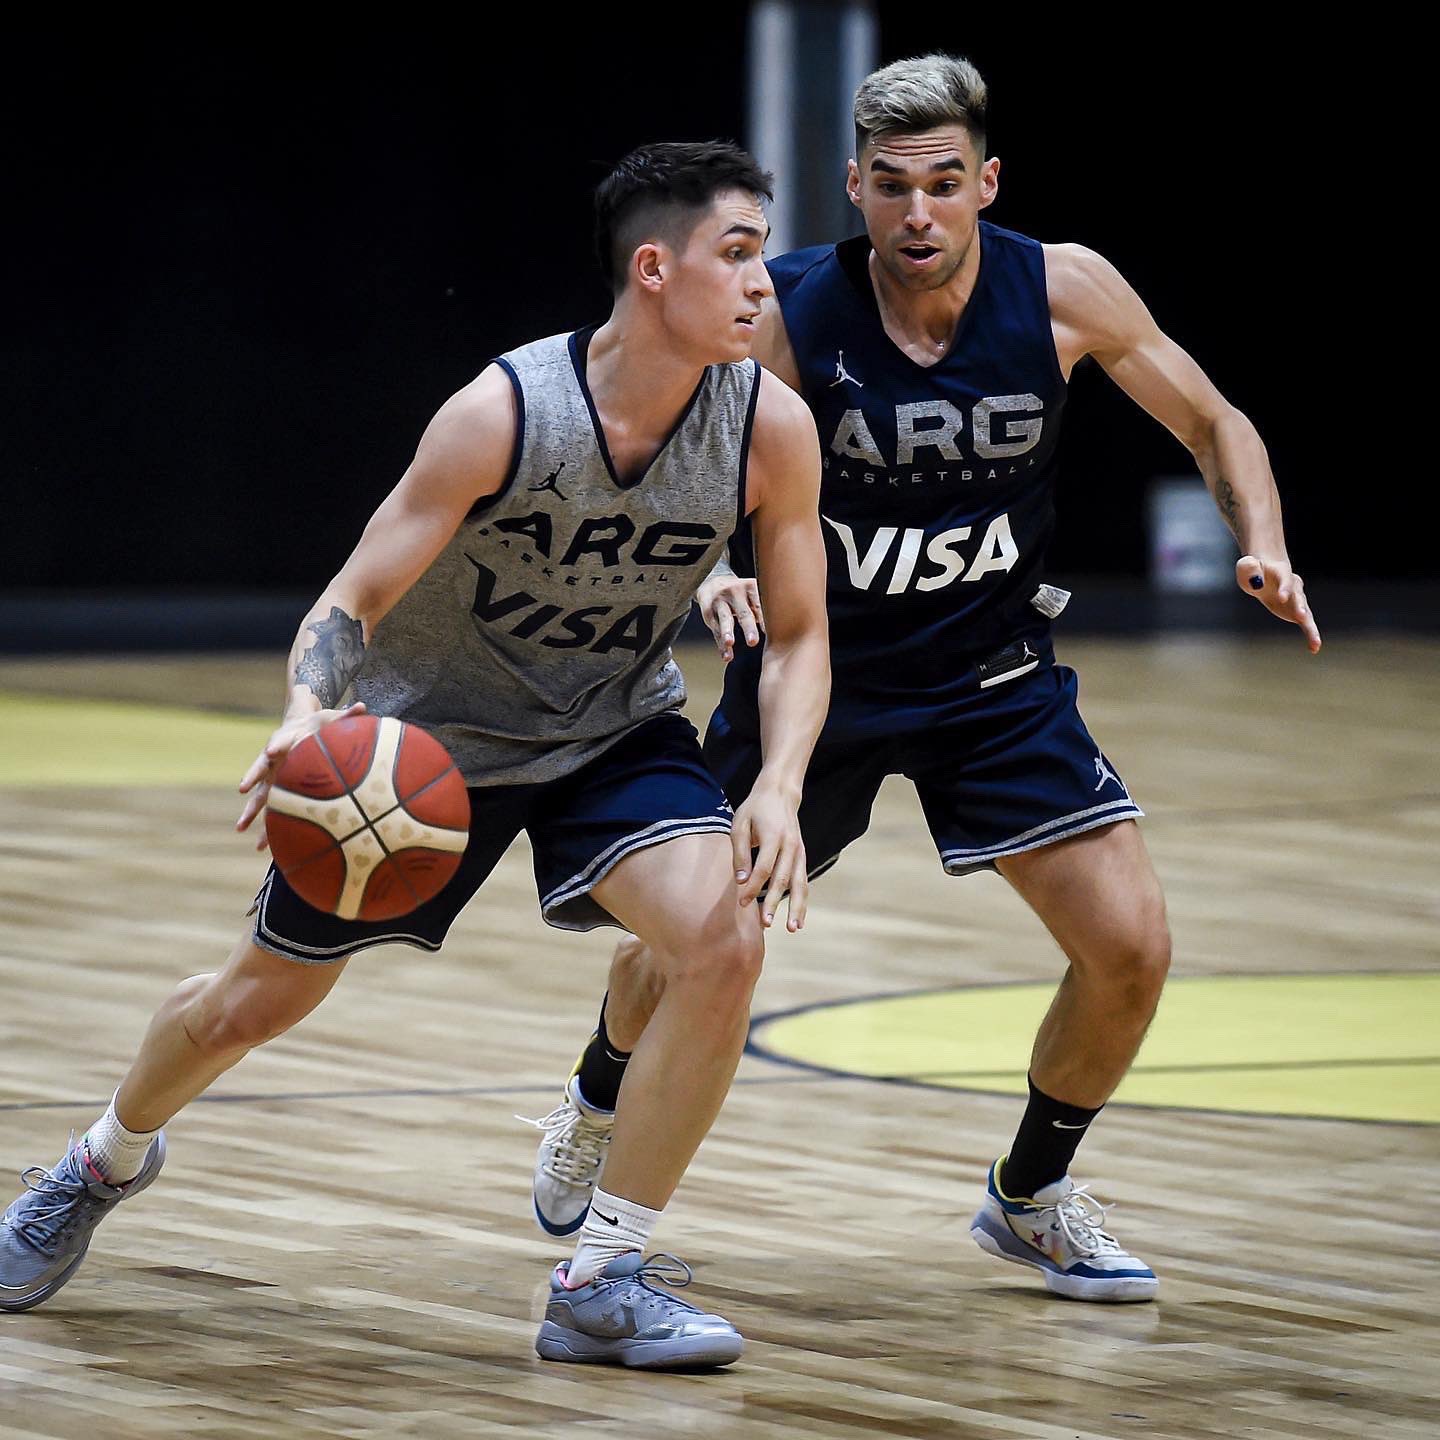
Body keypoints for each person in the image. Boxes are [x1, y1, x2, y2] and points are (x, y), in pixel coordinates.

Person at [0, 141, 831, 1368]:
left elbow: (806, 633)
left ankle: (600, 1274)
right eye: (741, 254)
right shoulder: (505, 412)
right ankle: (97, 1160)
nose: (768, 283)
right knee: (249, 1007)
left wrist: (777, 784)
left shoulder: (770, 425)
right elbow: (354, 596)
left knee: (724, 935)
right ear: (654, 269)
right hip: (421, 749)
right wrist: (304, 709)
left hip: (611, 728)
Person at [532, 56, 1321, 1304]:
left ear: (985, 184)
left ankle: (1030, 1196)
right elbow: (661, 460)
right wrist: (707, 577)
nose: (916, 213)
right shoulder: (786, 312)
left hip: (992, 681)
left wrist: (1261, 540)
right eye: (890, 185)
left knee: (1132, 949)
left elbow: (1217, 421)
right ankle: (594, 1098)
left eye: (943, 185)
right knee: (696, 942)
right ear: (854, 187)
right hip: (817, 676)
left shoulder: (1064, 289)